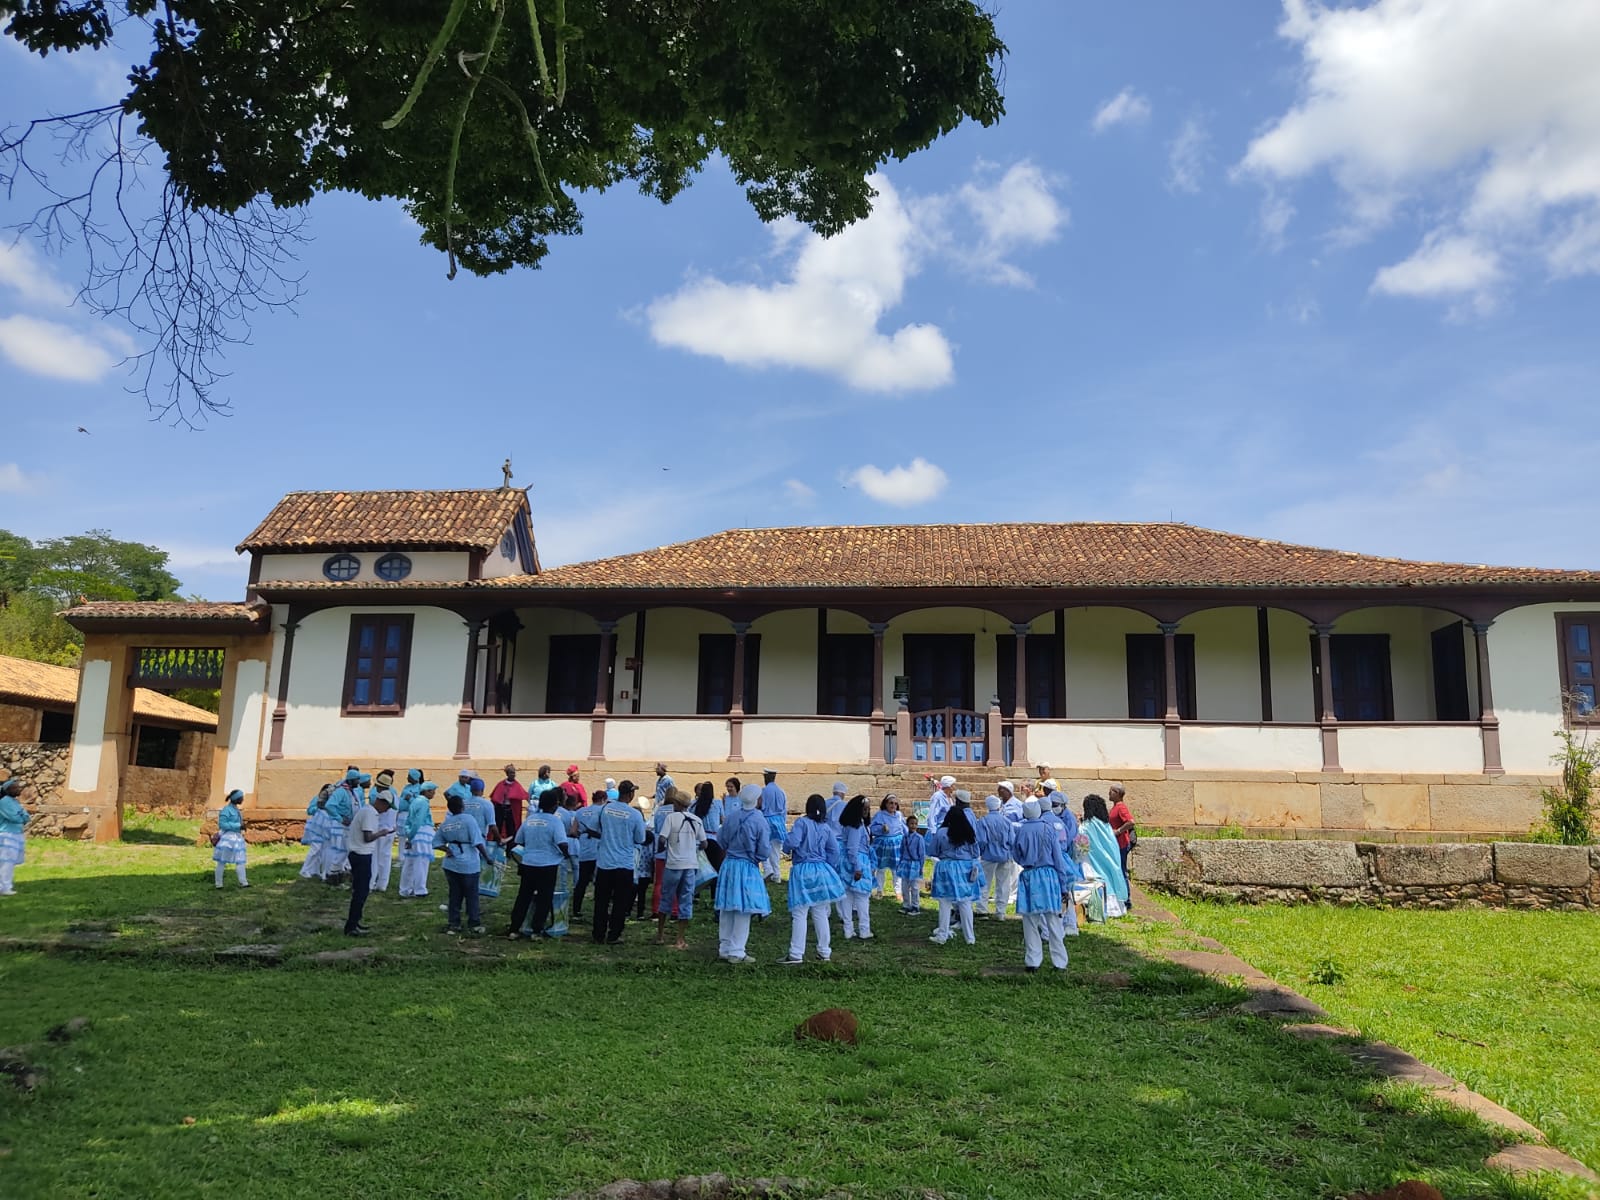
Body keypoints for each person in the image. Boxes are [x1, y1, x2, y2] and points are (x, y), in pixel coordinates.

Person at [777, 795, 846, 964]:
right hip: (821, 869)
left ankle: (796, 953)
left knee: (800, 912)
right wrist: (827, 865)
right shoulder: (826, 827)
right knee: (820, 912)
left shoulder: (802, 823)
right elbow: (834, 851)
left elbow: (793, 841)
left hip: (803, 869)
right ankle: (824, 951)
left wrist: (786, 847)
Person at [1011, 799, 1074, 972]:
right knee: (1053, 920)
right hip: (1049, 876)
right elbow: (1058, 860)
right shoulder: (1049, 828)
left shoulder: (1021, 830)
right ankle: (1060, 962)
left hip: (1029, 876)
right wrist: (1063, 886)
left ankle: (1033, 961)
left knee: (1030, 921)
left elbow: (1016, 853)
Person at [714, 784, 772, 963]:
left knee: (727, 906)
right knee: (743, 908)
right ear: (756, 799)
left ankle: (724, 947)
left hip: (729, 864)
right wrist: (758, 857)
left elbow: (721, 839)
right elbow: (763, 849)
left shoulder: (732, 816)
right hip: (747, 866)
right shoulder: (759, 820)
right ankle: (737, 950)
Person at [506, 790, 573, 939]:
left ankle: (514, 929)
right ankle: (537, 930)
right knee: (544, 898)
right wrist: (567, 855)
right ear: (555, 805)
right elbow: (562, 843)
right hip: (548, 865)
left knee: (523, 896)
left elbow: (518, 840)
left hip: (528, 863)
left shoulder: (530, 819)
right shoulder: (555, 821)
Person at [592, 780, 647, 945]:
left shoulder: (605, 809)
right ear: (630, 795)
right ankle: (614, 934)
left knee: (601, 900)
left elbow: (597, 829)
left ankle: (598, 933)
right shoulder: (635, 815)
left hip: (605, 863)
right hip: (624, 864)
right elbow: (640, 838)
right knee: (620, 902)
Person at [655, 787, 706, 949]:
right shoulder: (697, 820)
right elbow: (704, 843)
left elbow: (662, 839)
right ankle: (680, 938)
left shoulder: (671, 818)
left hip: (673, 864)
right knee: (686, 900)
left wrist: (663, 849)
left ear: (676, 803)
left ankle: (661, 935)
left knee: (666, 898)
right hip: (690, 865)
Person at [927, 805, 982, 946]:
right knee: (965, 902)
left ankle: (942, 935)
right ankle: (970, 938)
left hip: (945, 868)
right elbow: (976, 853)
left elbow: (932, 851)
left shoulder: (941, 832)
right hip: (964, 868)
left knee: (944, 903)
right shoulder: (969, 833)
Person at [436, 793, 491, 934]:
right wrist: (487, 857)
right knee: (471, 894)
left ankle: (454, 924)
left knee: (455, 894)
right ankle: (474, 923)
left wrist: (447, 849)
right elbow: (477, 841)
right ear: (462, 807)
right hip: (468, 863)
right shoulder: (468, 820)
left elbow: (436, 842)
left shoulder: (446, 823)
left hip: (450, 863)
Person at [344, 788, 390, 935]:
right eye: (387, 807)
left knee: (360, 890)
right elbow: (367, 837)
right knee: (361, 891)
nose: (387, 810)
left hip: (360, 854)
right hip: (361, 854)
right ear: (381, 802)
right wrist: (382, 833)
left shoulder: (368, 811)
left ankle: (355, 922)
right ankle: (351, 926)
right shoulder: (370, 813)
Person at [1080, 794, 1130, 917]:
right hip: (1111, 861)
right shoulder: (1107, 826)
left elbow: (1081, 848)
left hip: (1092, 861)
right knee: (1111, 880)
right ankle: (1117, 908)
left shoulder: (1085, 827)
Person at [837, 795, 874, 940]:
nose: (866, 811)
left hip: (849, 861)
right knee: (862, 897)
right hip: (858, 861)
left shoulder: (854, 825)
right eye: (864, 809)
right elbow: (852, 848)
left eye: (868, 809)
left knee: (847, 896)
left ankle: (848, 929)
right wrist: (857, 867)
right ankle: (864, 930)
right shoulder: (856, 827)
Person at [975, 795, 1017, 918]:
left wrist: (982, 852)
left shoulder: (983, 821)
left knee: (984, 882)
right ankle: (1001, 911)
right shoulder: (1007, 821)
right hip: (1005, 855)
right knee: (1003, 884)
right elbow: (1012, 840)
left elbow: (981, 840)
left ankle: (982, 909)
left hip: (988, 855)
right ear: (999, 806)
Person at [399, 781, 437, 897]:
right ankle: (420, 889)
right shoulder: (423, 803)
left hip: (413, 833)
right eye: (432, 792)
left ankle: (405, 889)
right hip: (421, 833)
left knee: (409, 863)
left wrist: (409, 835)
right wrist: (412, 835)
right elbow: (418, 821)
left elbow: (410, 820)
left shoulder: (415, 801)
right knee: (421, 862)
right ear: (426, 791)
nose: (434, 794)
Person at [571, 790, 604, 920]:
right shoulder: (602, 811)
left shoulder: (580, 812)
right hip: (598, 849)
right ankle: (599, 910)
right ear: (602, 799)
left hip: (583, 849)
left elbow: (573, 831)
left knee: (582, 882)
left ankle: (576, 910)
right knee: (600, 883)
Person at [322, 768, 359, 881]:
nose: (359, 782)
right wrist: (340, 818)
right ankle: (332, 874)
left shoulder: (352, 792)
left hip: (349, 826)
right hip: (340, 827)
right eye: (357, 780)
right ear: (351, 780)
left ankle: (337, 873)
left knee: (345, 851)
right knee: (340, 851)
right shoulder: (341, 792)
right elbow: (329, 806)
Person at [868, 794, 905, 899]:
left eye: (895, 803)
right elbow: (872, 828)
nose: (893, 805)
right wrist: (881, 829)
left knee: (896, 869)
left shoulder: (899, 815)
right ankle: (879, 890)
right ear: (886, 804)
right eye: (891, 803)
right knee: (881, 868)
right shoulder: (880, 815)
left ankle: (898, 891)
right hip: (883, 845)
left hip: (896, 845)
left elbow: (904, 828)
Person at [211, 789, 250, 888]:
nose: (243, 799)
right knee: (222, 861)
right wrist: (237, 825)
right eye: (241, 797)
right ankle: (218, 884)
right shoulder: (226, 810)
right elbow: (222, 824)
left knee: (240, 860)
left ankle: (244, 882)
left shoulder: (236, 810)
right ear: (236, 799)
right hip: (228, 839)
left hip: (237, 837)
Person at [1107, 783, 1137, 908]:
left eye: (1112, 791)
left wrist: (1118, 831)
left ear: (1118, 794)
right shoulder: (1115, 807)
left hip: (1121, 844)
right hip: (1116, 844)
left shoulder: (1121, 808)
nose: (1109, 793)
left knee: (1122, 870)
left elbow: (1130, 821)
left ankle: (1126, 899)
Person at [370, 770, 400, 892]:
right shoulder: (396, 796)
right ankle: (382, 884)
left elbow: (377, 811)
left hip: (380, 831)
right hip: (391, 830)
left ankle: (370, 883)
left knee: (374, 858)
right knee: (385, 858)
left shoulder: (382, 797)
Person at [758, 768, 787, 881]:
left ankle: (768, 869)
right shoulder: (781, 792)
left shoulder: (763, 791)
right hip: (779, 821)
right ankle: (777, 874)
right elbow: (784, 809)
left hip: (766, 820)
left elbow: (760, 807)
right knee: (776, 848)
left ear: (766, 777)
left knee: (763, 845)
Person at [299, 784, 332, 879]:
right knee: (315, 849)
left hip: (325, 828)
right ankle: (305, 870)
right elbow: (310, 810)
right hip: (316, 827)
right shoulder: (317, 799)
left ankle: (315, 870)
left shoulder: (331, 801)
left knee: (322, 851)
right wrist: (319, 809)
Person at [0, 778, 26, 896]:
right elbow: (14, 817)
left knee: (12, 861)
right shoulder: (4, 802)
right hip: (7, 835)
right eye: (15, 787)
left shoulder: (15, 802)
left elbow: (26, 816)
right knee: (6, 862)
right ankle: (5, 887)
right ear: (8, 789)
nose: (18, 789)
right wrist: (21, 816)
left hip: (17, 833)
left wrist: (21, 816)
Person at [896, 815, 926, 915]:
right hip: (905, 863)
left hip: (915, 864)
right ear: (907, 824)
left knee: (915, 887)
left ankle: (915, 906)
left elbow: (921, 854)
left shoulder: (919, 838)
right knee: (904, 886)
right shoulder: (904, 838)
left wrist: (921, 867)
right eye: (911, 823)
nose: (913, 826)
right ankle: (906, 905)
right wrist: (900, 863)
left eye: (915, 824)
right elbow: (901, 851)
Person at [491, 764, 529, 842]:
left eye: (514, 773)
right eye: (511, 773)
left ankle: (511, 847)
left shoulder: (517, 785)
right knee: (498, 826)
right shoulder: (500, 784)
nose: (513, 774)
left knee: (511, 828)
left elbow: (523, 795)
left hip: (511, 810)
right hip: (500, 808)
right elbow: (495, 797)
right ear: (507, 774)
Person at [693, 781, 725, 871]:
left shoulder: (693, 804)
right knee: (716, 864)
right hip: (715, 837)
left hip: (700, 839)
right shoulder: (718, 803)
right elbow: (722, 820)